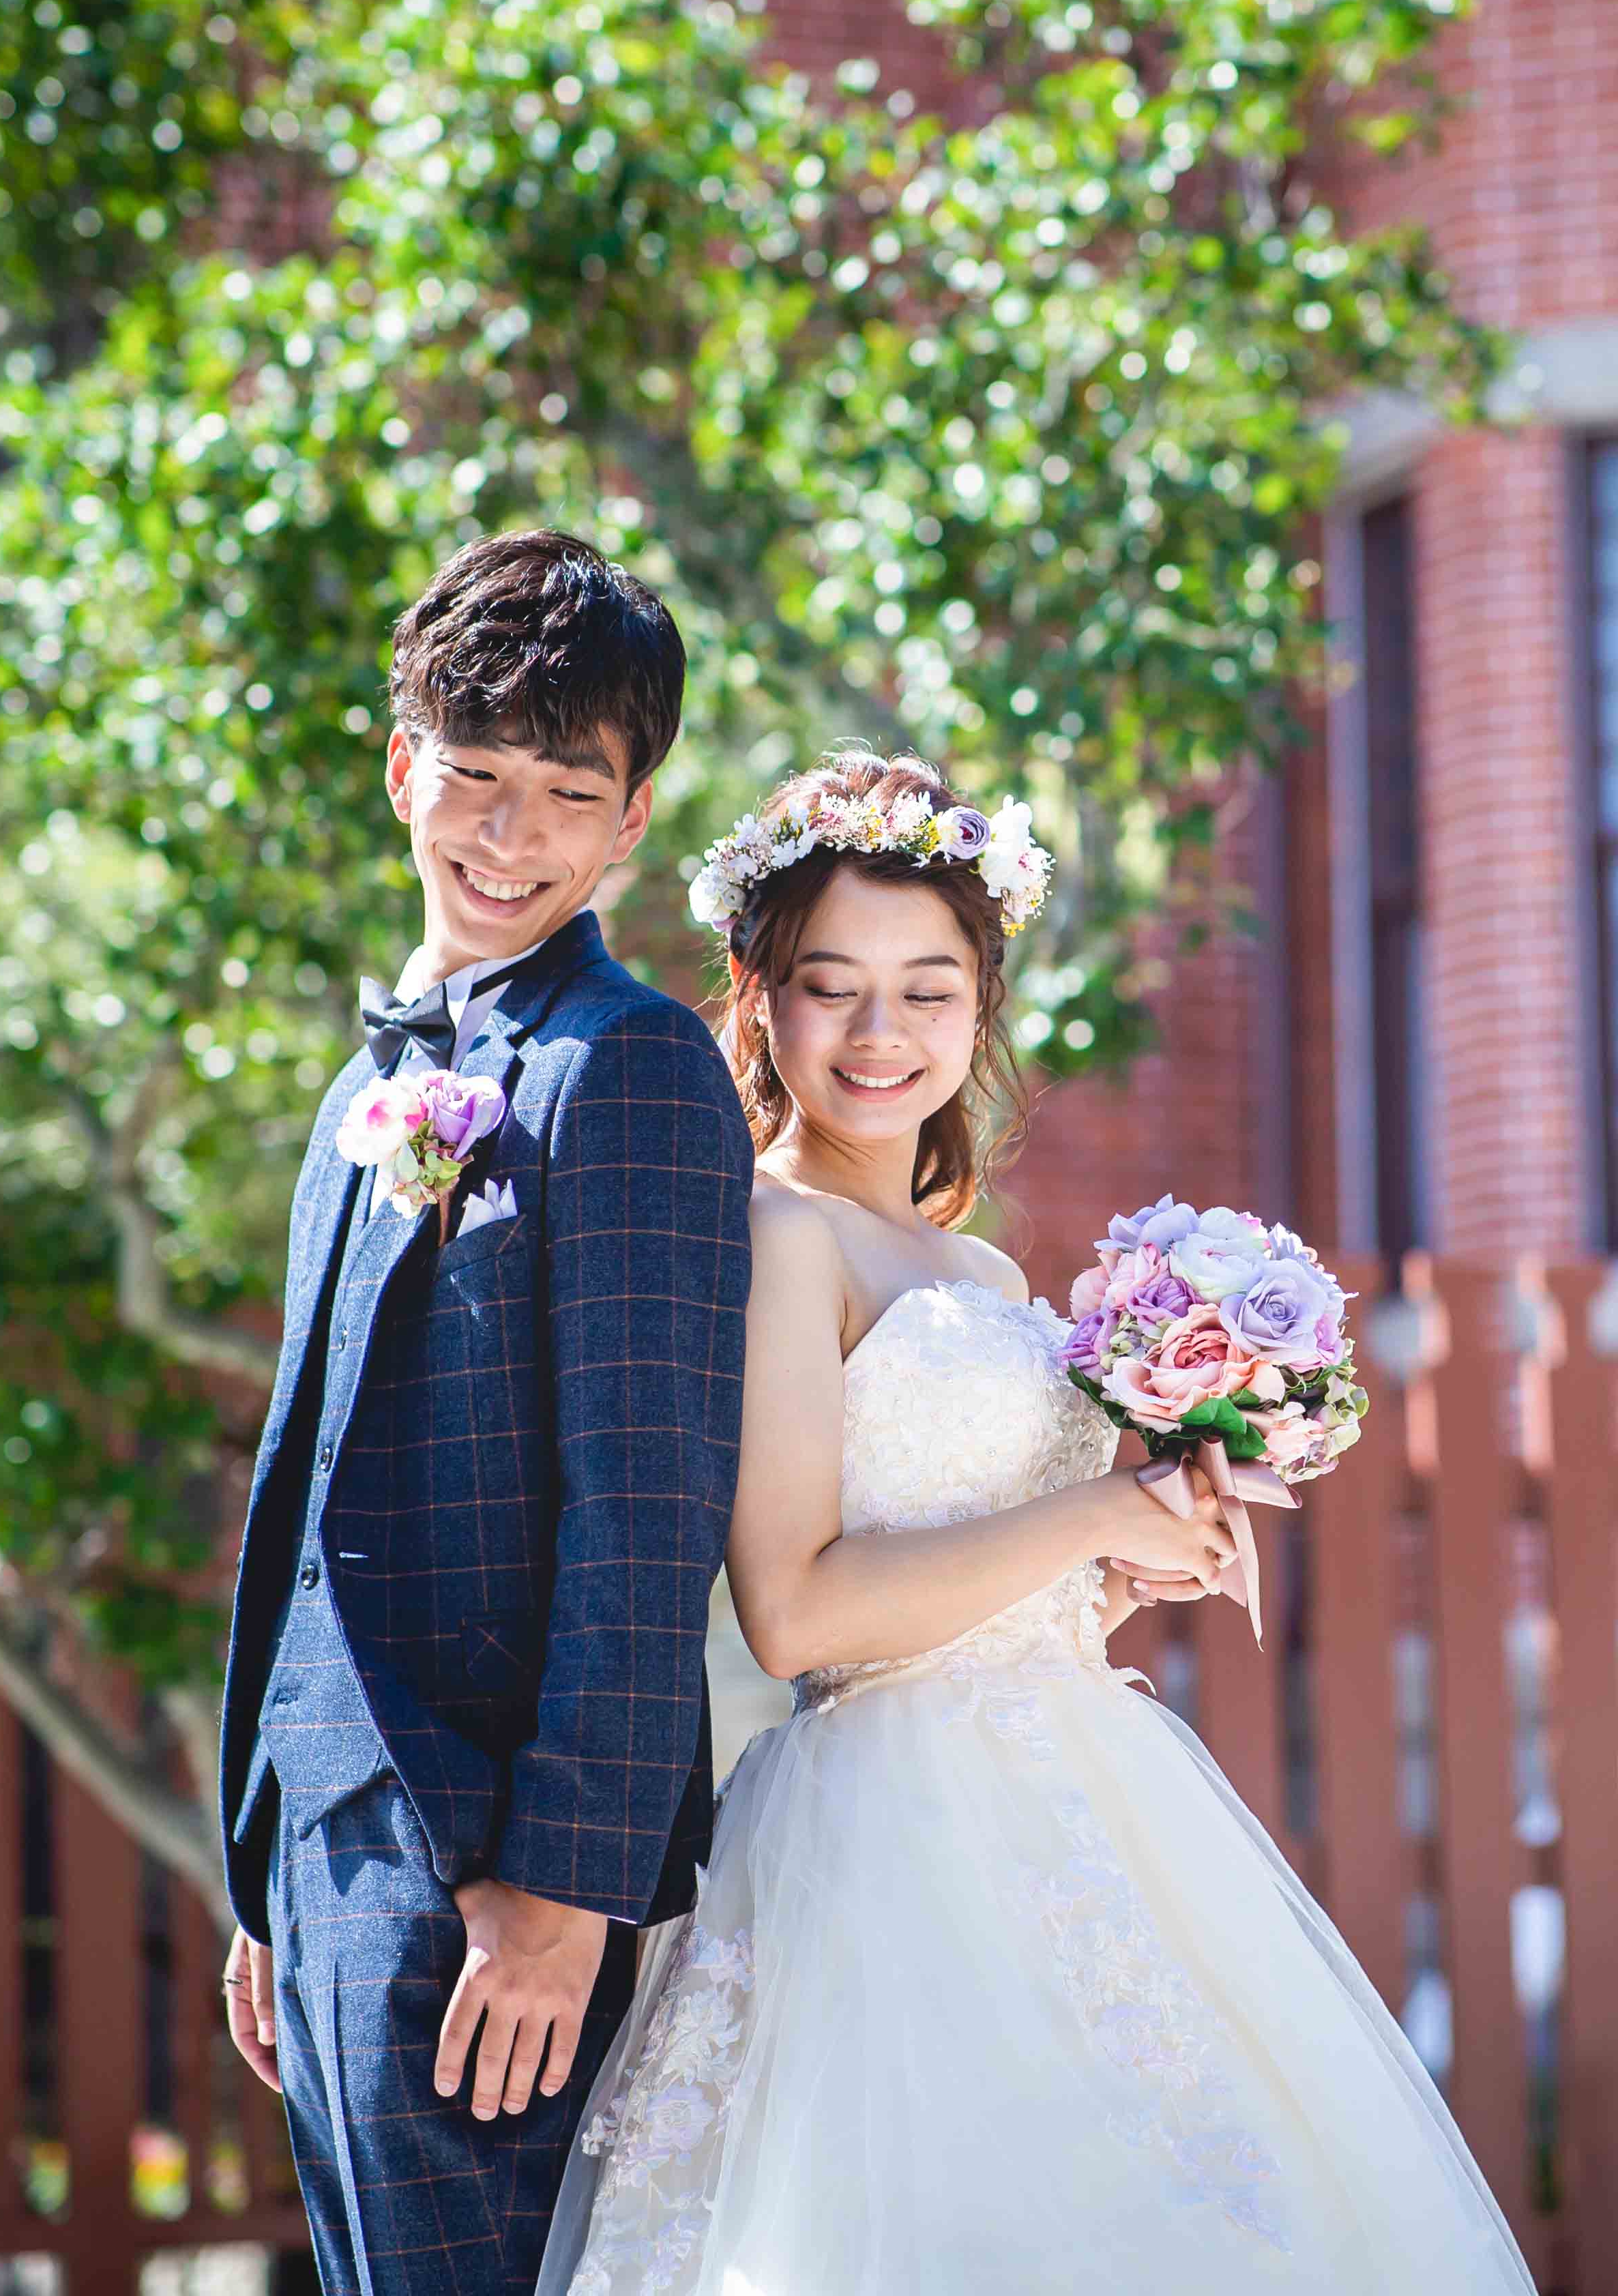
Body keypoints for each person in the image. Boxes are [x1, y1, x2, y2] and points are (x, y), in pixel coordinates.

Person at [535, 750, 1537, 2295]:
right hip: (890, 1833)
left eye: (930, 991)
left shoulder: (983, 1276)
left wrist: (1130, 1554)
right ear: (756, 994)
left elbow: (997, 1571)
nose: (883, 1034)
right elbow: (796, 1611)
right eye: (833, 986)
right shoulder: (774, 1237)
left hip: (1081, 1789)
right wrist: (1087, 1516)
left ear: (981, 1009)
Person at [214, 529, 750, 2295]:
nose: (507, 835)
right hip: (324, 1847)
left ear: (633, 822)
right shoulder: (355, 1092)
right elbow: (301, 1493)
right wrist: (265, 1868)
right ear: (402, 769)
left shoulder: (631, 1063)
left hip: (487, 1872)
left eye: (564, 791)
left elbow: (647, 1501)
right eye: (475, 776)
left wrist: (568, 1887)